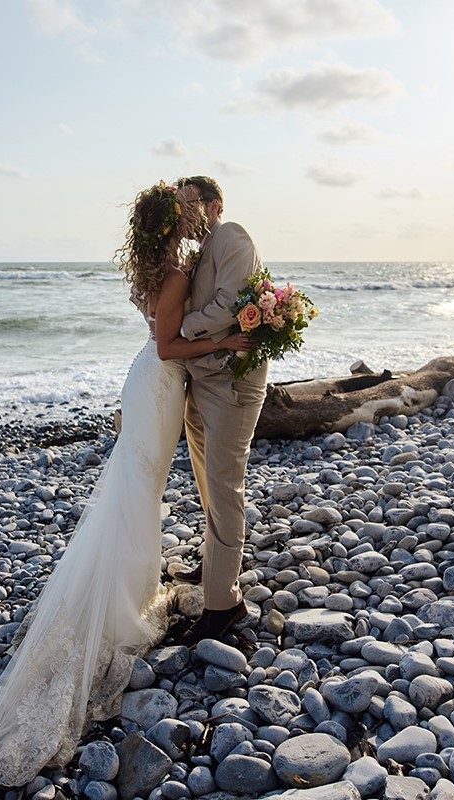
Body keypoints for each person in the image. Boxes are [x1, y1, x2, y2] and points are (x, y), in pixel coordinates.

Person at [0, 182, 253, 788]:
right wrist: (228, 340)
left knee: (139, 489)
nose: (192, 216)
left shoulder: (162, 266)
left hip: (152, 384)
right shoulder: (179, 272)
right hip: (160, 382)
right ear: (172, 222)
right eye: (183, 210)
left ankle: (131, 583)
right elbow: (168, 343)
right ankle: (121, 601)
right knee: (140, 491)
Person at [170, 176, 269, 646]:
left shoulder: (233, 237)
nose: (183, 213)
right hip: (200, 376)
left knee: (226, 483)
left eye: (189, 204)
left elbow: (230, 305)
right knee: (205, 476)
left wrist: (182, 327)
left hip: (232, 380)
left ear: (213, 206)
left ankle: (223, 603)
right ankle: (215, 563)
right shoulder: (196, 251)